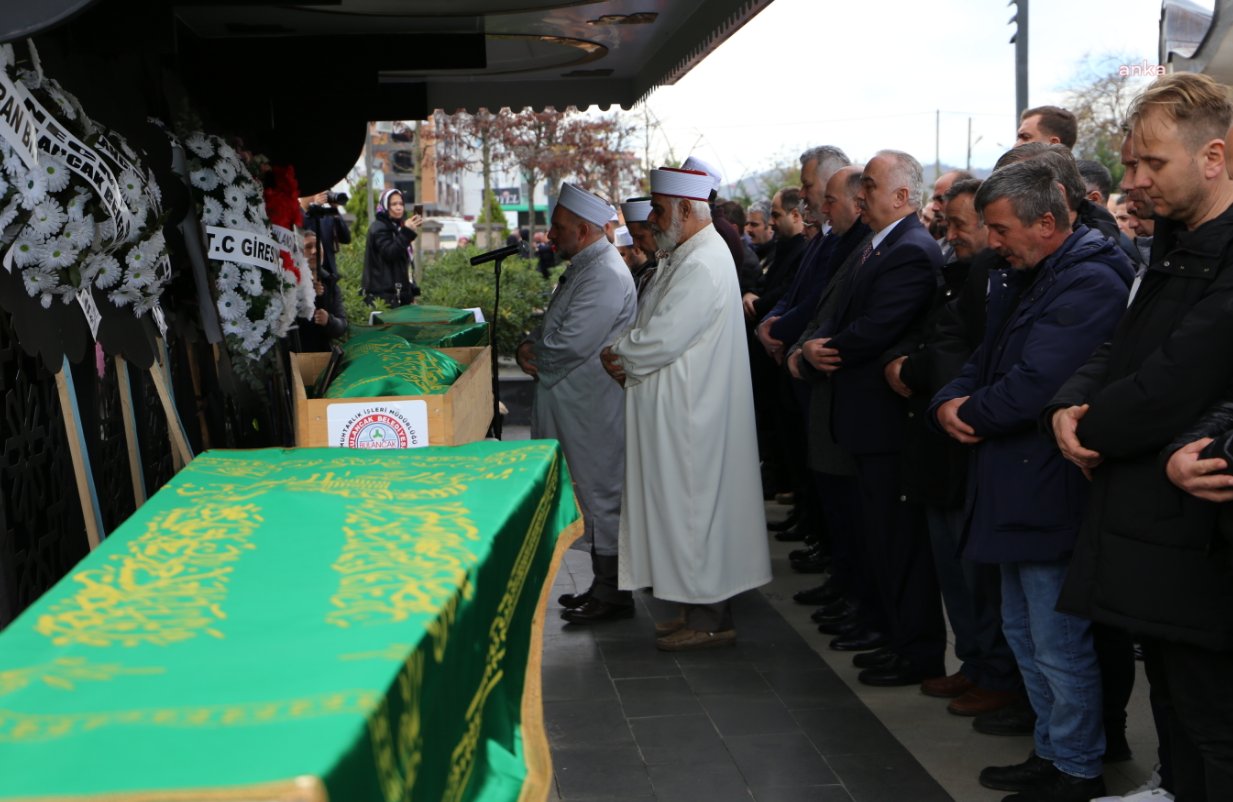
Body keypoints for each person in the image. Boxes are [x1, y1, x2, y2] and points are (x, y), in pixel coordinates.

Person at [1050, 71, 1233, 801]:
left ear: (1213, 158)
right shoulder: (1172, 240)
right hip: (1149, 525)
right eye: (1129, 163)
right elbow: (1118, 347)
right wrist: (1066, 406)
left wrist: (1093, 424)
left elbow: (1175, 378)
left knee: (1213, 719)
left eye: (1150, 163)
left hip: (1195, 536)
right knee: (1173, 701)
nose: (1132, 182)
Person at [931, 160, 1133, 802]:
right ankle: (1051, 750)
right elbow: (985, 358)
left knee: (1057, 642)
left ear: (1047, 223)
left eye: (999, 229)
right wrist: (948, 402)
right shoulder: (1036, 273)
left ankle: (1075, 766)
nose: (993, 242)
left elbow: (1034, 387)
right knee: (1026, 633)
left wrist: (969, 412)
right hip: (1017, 484)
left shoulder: (1090, 281)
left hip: (1048, 488)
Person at [601, 166, 770, 651]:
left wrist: (620, 355)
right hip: (678, 409)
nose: (650, 219)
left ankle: (712, 619)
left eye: (657, 209)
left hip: (693, 416)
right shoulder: (686, 254)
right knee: (682, 513)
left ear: (687, 210)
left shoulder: (702, 261)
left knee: (695, 514)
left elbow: (665, 336)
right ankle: (695, 610)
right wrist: (624, 350)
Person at [798, 150, 944, 686]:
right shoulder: (878, 245)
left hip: (885, 424)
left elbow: (878, 327)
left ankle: (914, 650)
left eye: (872, 186)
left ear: (903, 196)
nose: (861, 195)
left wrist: (821, 348)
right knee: (879, 540)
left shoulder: (911, 249)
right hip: (862, 420)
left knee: (897, 543)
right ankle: (891, 636)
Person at [518, 183, 637, 624]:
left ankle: (613, 594)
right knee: (589, 490)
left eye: (559, 228)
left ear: (584, 231)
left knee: (600, 493)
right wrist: (530, 346)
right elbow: (556, 329)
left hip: (592, 405)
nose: (551, 235)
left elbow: (571, 342)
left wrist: (535, 355)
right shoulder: (589, 265)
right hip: (576, 401)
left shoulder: (604, 272)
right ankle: (603, 587)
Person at [362, 188, 421, 306]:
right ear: (385, 206)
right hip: (384, 298)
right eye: (394, 204)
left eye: (401, 204)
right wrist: (406, 232)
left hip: (400, 295)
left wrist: (411, 292)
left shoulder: (398, 227)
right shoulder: (379, 227)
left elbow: (406, 264)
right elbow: (390, 252)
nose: (399, 207)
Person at [292, 230, 347, 353]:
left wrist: (329, 321)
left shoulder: (330, 283)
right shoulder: (290, 282)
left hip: (322, 357)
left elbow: (342, 325)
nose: (314, 251)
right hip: (296, 357)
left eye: (317, 246)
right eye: (308, 247)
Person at [300, 191, 352, 284]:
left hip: (330, 276)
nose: (321, 195)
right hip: (309, 277)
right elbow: (304, 227)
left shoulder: (325, 215)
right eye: (316, 191)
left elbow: (346, 238)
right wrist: (315, 206)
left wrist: (335, 210)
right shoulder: (297, 214)